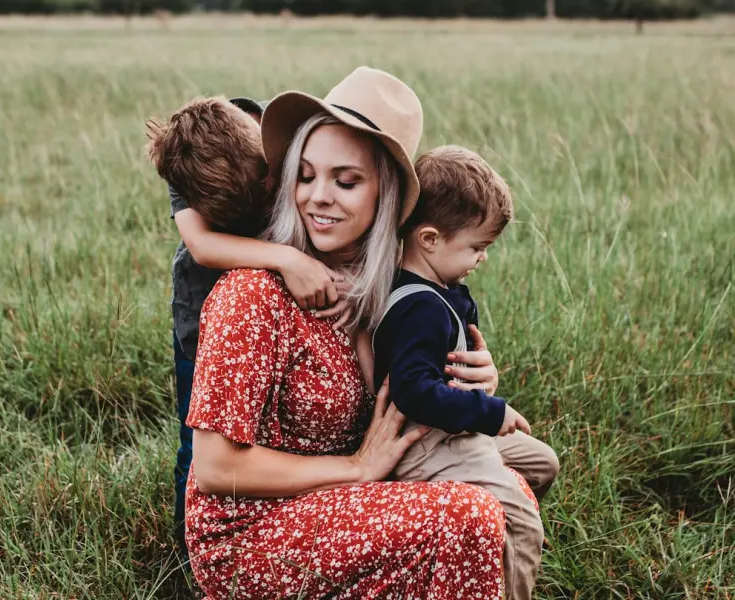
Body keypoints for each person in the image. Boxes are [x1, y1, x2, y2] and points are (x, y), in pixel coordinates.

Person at [183, 67, 522, 599]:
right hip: (254, 532)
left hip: (344, 501)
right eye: (306, 175)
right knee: (470, 514)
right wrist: (356, 468)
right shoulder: (252, 293)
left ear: (385, 195)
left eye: (346, 181)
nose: (319, 197)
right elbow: (215, 468)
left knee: (510, 484)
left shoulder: (383, 290)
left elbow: (415, 386)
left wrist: (474, 373)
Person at [146, 95, 348, 556]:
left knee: (278, 419)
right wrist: (285, 258)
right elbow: (200, 244)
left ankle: (281, 508)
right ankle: (191, 546)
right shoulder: (189, 159)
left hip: (278, 310)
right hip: (202, 311)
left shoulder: (262, 131)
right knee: (198, 436)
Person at [372, 145, 560, 600]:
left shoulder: (438, 289)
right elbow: (415, 392)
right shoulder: (418, 306)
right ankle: (515, 561)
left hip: (454, 431)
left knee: (544, 464)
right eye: (477, 247)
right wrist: (489, 413)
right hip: (428, 443)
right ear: (430, 239)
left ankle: (492, 551)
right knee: (522, 516)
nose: (483, 257)